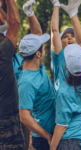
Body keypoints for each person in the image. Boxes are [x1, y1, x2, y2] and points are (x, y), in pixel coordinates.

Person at [50, 0, 81, 150]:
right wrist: (73, 14)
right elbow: (55, 33)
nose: (70, 38)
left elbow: (61, 125)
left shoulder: (65, 91)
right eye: (65, 36)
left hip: (69, 139)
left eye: (72, 36)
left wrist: (56, 5)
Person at [18, 1, 55, 150]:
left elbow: (37, 34)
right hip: (44, 138)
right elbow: (24, 117)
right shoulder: (27, 83)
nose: (45, 51)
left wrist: (30, 14)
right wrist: (48, 136)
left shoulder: (33, 62)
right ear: (38, 54)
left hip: (55, 130)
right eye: (44, 49)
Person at [0, 8, 30, 149]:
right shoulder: (4, 54)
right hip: (8, 119)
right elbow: (14, 23)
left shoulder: (11, 56)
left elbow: (10, 26)